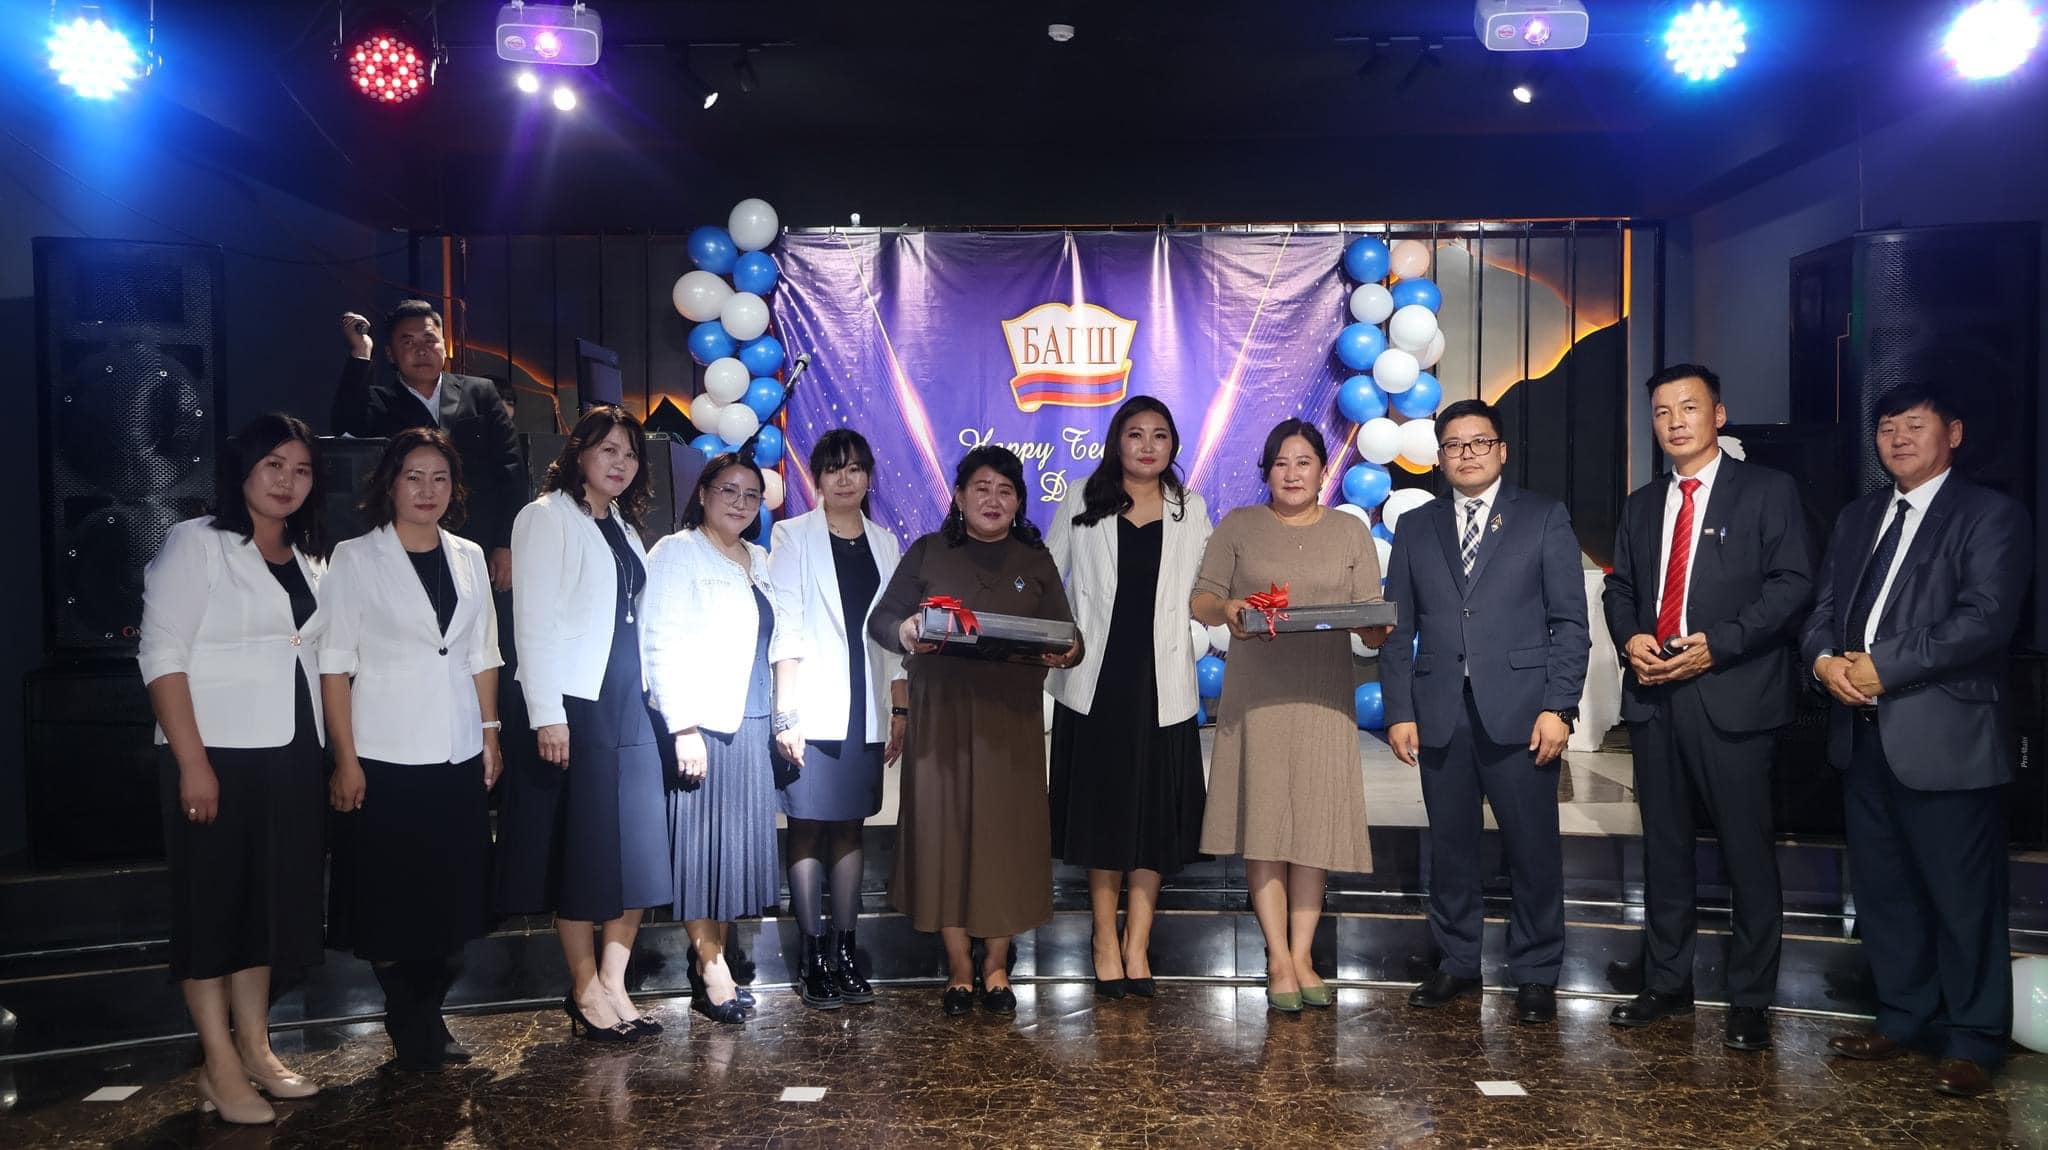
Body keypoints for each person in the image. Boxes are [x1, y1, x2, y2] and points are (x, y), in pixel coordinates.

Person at [1800, 383, 2031, 1098]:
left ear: (1952, 433)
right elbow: (1823, 609)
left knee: (1963, 898)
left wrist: (1884, 666)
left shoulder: (1990, 514)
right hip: (1862, 736)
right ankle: (1903, 1017)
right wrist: (1823, 661)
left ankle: (1973, 1040)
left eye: (1914, 425)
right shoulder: (1859, 516)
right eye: (1887, 428)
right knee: (1885, 892)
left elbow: (1985, 618)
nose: (1898, 439)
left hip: (1945, 737)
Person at [1602, 365, 1813, 1051]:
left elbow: (1792, 585)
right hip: (1656, 696)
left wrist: (1717, 646)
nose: (1675, 422)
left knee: (1746, 852)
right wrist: (1631, 636)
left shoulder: (1768, 491)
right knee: (1665, 851)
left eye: (1689, 408)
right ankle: (1667, 983)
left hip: (1733, 693)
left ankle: (1750, 998)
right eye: (1662, 412)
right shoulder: (1642, 504)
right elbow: (1619, 588)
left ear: (1718, 415)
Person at [138, 413, 331, 1125]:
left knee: (267, 909)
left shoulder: (310, 555)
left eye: (301, 469)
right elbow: (161, 654)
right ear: (243, 468)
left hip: (293, 752)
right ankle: (218, 1065)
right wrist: (192, 762)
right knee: (213, 909)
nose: (287, 481)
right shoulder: (197, 543)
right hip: (215, 753)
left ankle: (256, 1048)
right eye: (273, 464)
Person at [1380, 399, 1589, 1026]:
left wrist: (1560, 707)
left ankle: (1536, 971)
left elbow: (1570, 623)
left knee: (1533, 848)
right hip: (1440, 710)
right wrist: (1399, 710)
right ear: (1439, 457)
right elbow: (1397, 629)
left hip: (1524, 713)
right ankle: (1456, 961)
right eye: (1453, 445)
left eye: (1478, 442)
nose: (1466, 454)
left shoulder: (1543, 516)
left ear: (1501, 450)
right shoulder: (1416, 526)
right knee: (1450, 848)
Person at [868, 446, 1080, 1016]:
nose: (993, 499)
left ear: (1019, 502)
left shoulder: (1034, 560)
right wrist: (907, 629)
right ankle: (960, 967)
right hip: (941, 720)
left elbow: (1068, 634)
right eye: (981, 488)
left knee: (1005, 840)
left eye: (1005, 490)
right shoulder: (929, 551)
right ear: (959, 497)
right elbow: (881, 620)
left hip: (1011, 724)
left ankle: (997, 968)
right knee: (946, 836)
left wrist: (1068, 650)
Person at [321, 427, 503, 1071]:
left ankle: (428, 1013)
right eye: (414, 477)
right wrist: (345, 759)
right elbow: (334, 665)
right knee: (392, 899)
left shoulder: (469, 555)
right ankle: (410, 1018)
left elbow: (482, 652)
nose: (427, 490)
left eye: (440, 478)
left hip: (456, 747)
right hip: (384, 753)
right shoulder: (354, 557)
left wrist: (490, 732)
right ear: (389, 484)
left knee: (451, 897)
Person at [1190, 419, 1386, 1013]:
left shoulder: (1350, 531)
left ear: (1324, 470)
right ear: (1267, 471)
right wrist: (1228, 607)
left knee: (1314, 829)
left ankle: (1303, 955)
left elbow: (1371, 617)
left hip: (1325, 696)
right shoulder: (1239, 525)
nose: (1292, 473)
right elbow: (1202, 599)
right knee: (1266, 825)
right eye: (1281, 463)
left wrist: (1376, 627)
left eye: (1304, 462)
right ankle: (1277, 956)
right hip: (1258, 696)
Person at [494, 406, 672, 1044]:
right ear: (578, 453)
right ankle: (584, 987)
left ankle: (616, 983)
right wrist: (547, 714)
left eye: (630, 453)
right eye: (608, 450)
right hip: (578, 705)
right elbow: (533, 623)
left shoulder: (622, 523)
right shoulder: (545, 517)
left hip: (631, 703)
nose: (621, 462)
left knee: (639, 851)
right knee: (582, 851)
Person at [1046, 396, 1212, 998]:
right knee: (1104, 814)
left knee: (1155, 817)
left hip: (1163, 681)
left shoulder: (1191, 507)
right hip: (1095, 680)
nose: (1147, 446)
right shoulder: (1081, 499)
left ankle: (1138, 942)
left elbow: (1208, 588)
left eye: (1159, 435)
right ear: (1116, 441)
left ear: (1173, 445)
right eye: (1135, 434)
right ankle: (1102, 938)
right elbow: (1047, 579)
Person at [642, 454, 806, 1024]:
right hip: (705, 725)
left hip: (752, 723)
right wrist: (683, 728)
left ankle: (718, 954)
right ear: (703, 493)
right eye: (728, 490)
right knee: (700, 850)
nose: (740, 502)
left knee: (731, 851)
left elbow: (784, 637)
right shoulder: (676, 551)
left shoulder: (757, 558)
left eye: (751, 495)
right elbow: (658, 642)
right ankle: (709, 967)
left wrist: (786, 717)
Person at [768, 430, 907, 1010]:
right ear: (817, 478)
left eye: (854, 469)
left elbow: (895, 638)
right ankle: (812, 956)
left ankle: (845, 952)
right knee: (807, 825)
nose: (845, 479)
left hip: (867, 706)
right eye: (833, 469)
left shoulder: (886, 541)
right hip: (812, 705)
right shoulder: (791, 534)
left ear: (869, 476)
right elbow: (785, 625)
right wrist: (787, 714)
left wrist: (900, 707)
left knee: (851, 826)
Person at [333, 302, 525, 591]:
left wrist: (506, 542)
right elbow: (343, 426)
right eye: (408, 342)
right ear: (390, 354)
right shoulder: (379, 403)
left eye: (429, 339)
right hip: (408, 548)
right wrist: (361, 351)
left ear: (444, 345)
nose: (421, 350)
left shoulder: (480, 392)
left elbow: (511, 469)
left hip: (481, 544)